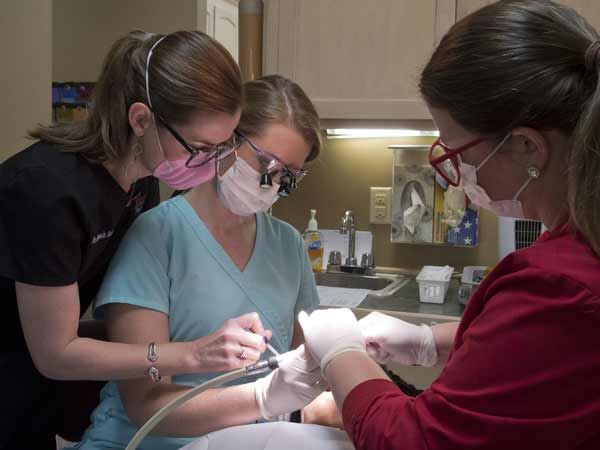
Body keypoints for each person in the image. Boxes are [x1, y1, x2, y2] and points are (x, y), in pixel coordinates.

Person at [299, 1, 600, 449]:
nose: (458, 174)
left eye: (460, 154)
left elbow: (414, 441)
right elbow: (538, 353)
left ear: (527, 147)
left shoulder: (558, 282)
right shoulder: (576, 247)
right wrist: (428, 342)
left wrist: (342, 355)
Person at [0, 30, 273, 449]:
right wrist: (192, 353)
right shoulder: (48, 191)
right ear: (141, 120)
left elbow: (94, 318)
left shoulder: (140, 185)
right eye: (200, 147)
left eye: (222, 148)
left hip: (32, 385)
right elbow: (55, 352)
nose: (211, 163)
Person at [70, 75, 326, 450]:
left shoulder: (287, 245)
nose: (271, 183)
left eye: (287, 176)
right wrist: (261, 397)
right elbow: (143, 404)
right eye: (265, 164)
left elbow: (306, 367)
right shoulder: (157, 236)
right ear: (226, 140)